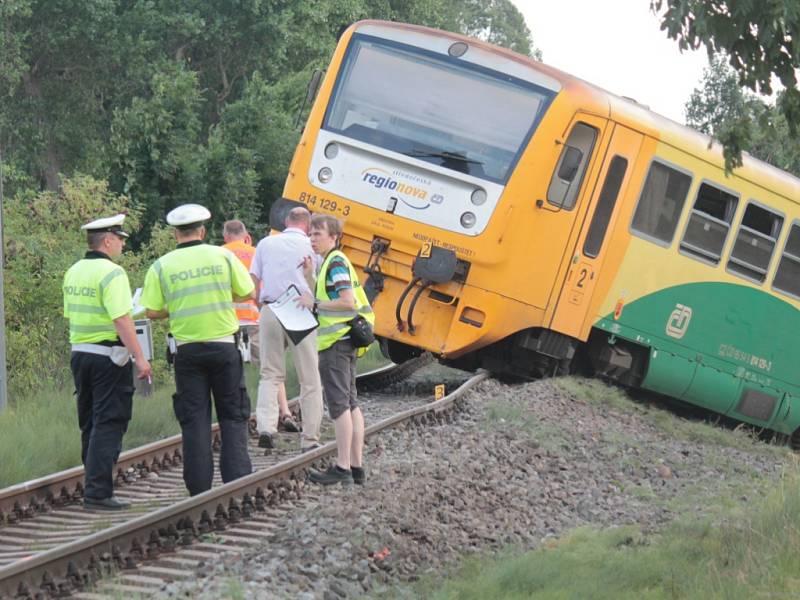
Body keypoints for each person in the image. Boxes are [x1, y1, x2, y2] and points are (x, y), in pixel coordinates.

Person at [141, 204, 255, 496]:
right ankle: (238, 482)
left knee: (195, 420)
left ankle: (199, 490)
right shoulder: (223, 256)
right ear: (203, 231)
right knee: (232, 414)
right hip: (224, 348)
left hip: (187, 353)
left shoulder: (162, 265)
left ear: (175, 233)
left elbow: (151, 310)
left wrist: (176, 307)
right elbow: (247, 292)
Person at [63, 214, 152, 510]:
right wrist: (140, 358)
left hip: (80, 354)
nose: (123, 244)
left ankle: (92, 483)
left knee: (89, 422)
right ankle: (99, 492)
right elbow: (121, 320)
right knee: (109, 420)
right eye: (120, 238)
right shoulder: (112, 274)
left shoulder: (73, 271)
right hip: (109, 358)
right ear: (107, 240)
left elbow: (72, 315)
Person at [297, 214, 374, 485]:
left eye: (318, 233)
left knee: (340, 406)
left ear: (334, 237)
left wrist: (313, 304)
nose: (312, 239)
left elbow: (347, 302)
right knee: (351, 404)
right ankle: (356, 467)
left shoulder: (336, 262)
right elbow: (336, 296)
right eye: (311, 234)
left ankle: (342, 468)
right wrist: (310, 277)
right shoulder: (333, 262)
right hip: (345, 342)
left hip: (336, 345)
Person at [250, 205, 322, 451]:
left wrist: (263, 304)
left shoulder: (265, 244)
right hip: (299, 309)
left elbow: (254, 283)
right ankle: (310, 437)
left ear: (286, 221)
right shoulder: (312, 247)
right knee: (309, 377)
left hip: (270, 309)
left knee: (270, 373)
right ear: (308, 225)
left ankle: (266, 428)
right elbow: (318, 285)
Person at [222, 219, 297, 433]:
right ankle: (285, 412)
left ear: (226, 236)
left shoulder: (219, 254)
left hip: (229, 322)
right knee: (271, 369)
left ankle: (237, 418)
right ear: (246, 236)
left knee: (229, 372)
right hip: (256, 318)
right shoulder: (258, 252)